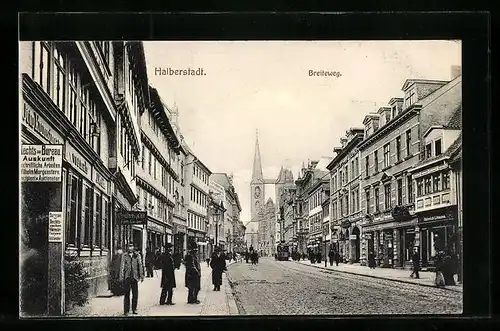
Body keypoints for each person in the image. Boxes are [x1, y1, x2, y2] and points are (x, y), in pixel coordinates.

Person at [119, 243, 144, 315]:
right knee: (127, 294)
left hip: (134, 277)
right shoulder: (124, 255)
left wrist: (141, 276)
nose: (130, 248)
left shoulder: (137, 255)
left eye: (131, 246)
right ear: (127, 247)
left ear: (134, 247)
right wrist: (121, 276)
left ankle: (134, 309)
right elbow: (122, 266)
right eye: (129, 246)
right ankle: (126, 310)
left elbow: (140, 265)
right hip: (127, 277)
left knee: (135, 294)